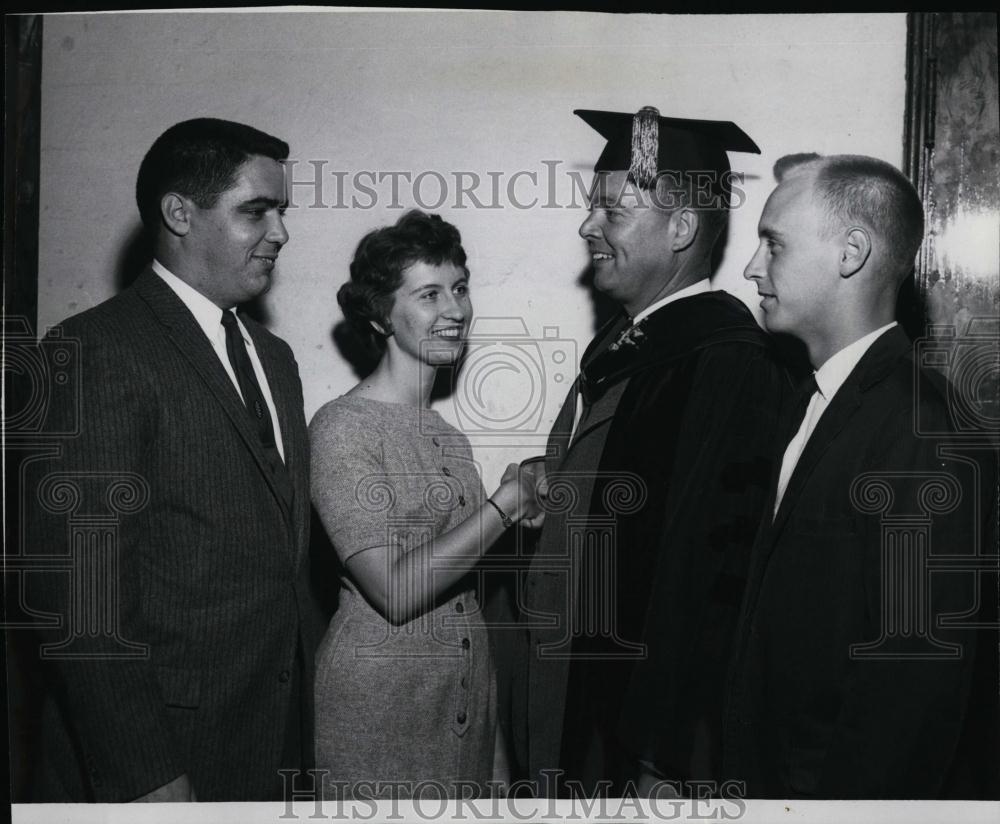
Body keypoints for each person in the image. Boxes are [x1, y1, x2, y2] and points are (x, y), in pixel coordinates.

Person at [25, 118, 313, 802]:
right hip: (163, 762)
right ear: (179, 213)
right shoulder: (93, 352)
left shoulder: (276, 359)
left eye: (282, 212)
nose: (280, 233)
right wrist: (147, 775)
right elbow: (80, 601)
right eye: (255, 211)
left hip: (273, 748)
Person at [513, 107, 790, 797]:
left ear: (682, 228)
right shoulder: (621, 348)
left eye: (612, 211)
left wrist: (667, 759)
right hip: (565, 692)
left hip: (630, 734)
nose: (587, 227)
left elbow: (711, 581)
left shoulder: (728, 366)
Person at [726, 153, 997, 797]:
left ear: (851, 252)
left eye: (773, 243)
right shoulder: (810, 400)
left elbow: (913, 693)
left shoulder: (925, 428)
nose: (751, 267)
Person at [310, 210, 542, 799]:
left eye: (460, 289)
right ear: (379, 314)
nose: (456, 310)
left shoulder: (450, 437)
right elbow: (394, 590)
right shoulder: (342, 428)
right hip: (376, 717)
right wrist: (506, 506)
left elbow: (465, 606)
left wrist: (494, 765)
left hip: (462, 710)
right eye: (430, 294)